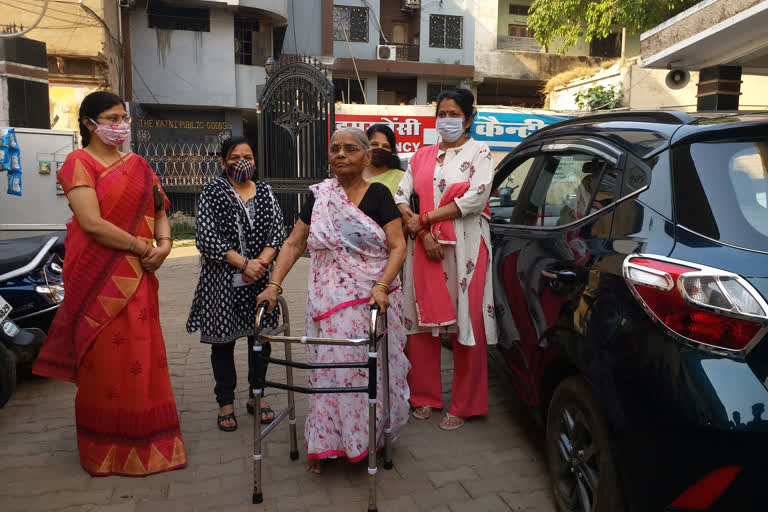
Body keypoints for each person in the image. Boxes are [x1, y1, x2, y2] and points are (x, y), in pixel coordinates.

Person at [33, 91, 187, 475]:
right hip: (95, 279)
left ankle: (152, 444)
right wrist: (141, 246)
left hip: (138, 279)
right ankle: (105, 452)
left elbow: (159, 208)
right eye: (112, 118)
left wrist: (165, 246)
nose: (120, 126)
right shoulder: (77, 163)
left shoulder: (138, 165)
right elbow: (91, 222)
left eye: (123, 118)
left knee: (143, 358)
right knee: (104, 364)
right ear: (89, 122)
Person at [257, 127, 409, 474]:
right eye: (335, 149)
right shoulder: (320, 196)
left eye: (350, 149)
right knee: (328, 372)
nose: (340, 155)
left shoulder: (379, 195)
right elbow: (294, 243)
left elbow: (399, 246)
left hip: (370, 301)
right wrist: (274, 285)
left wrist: (383, 285)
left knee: (361, 372)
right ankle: (326, 444)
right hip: (327, 303)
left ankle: (366, 439)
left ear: (366, 157)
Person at [394, 88, 497, 431]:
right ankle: (424, 397)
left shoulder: (480, 152)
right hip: (424, 246)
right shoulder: (421, 155)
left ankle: (465, 404)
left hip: (467, 247)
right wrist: (421, 232)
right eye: (442, 113)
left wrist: (424, 219)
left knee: (467, 321)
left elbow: (475, 197)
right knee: (422, 320)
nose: (447, 119)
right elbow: (401, 195)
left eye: (454, 114)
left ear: (469, 118)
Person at [186, 137, 285, 432]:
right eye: (235, 157)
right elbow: (206, 237)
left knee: (260, 341)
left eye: (248, 156)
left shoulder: (266, 192)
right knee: (222, 344)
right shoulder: (213, 191)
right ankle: (225, 402)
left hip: (260, 281)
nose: (243, 162)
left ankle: (258, 396)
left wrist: (261, 264)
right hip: (221, 281)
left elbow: (277, 233)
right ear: (223, 162)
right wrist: (244, 263)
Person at [364, 124, 405, 196]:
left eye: (385, 146)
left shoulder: (403, 178)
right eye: (374, 144)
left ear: (392, 151)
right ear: (365, 146)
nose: (380, 149)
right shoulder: (353, 175)